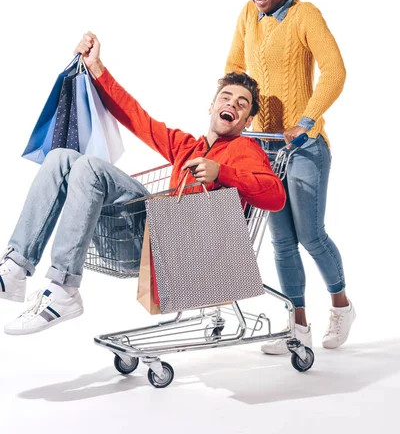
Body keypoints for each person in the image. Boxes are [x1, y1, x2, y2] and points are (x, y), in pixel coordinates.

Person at [0, 33, 285, 335]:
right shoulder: (185, 145)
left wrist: (222, 172)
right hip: (140, 243)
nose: (233, 104)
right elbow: (137, 118)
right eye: (226, 98)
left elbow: (275, 197)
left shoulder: (245, 150)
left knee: (90, 167)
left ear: (247, 121)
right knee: (59, 158)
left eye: (243, 104)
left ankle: (63, 288)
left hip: (186, 251)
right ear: (211, 106)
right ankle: (16, 266)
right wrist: (96, 67)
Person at [225, 0, 355, 353]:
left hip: (303, 147)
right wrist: (228, 112)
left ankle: (341, 307)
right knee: (280, 240)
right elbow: (235, 70)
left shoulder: (306, 16)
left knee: (310, 235)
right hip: (261, 147)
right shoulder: (248, 17)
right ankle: (296, 327)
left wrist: (306, 119)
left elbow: (334, 73)